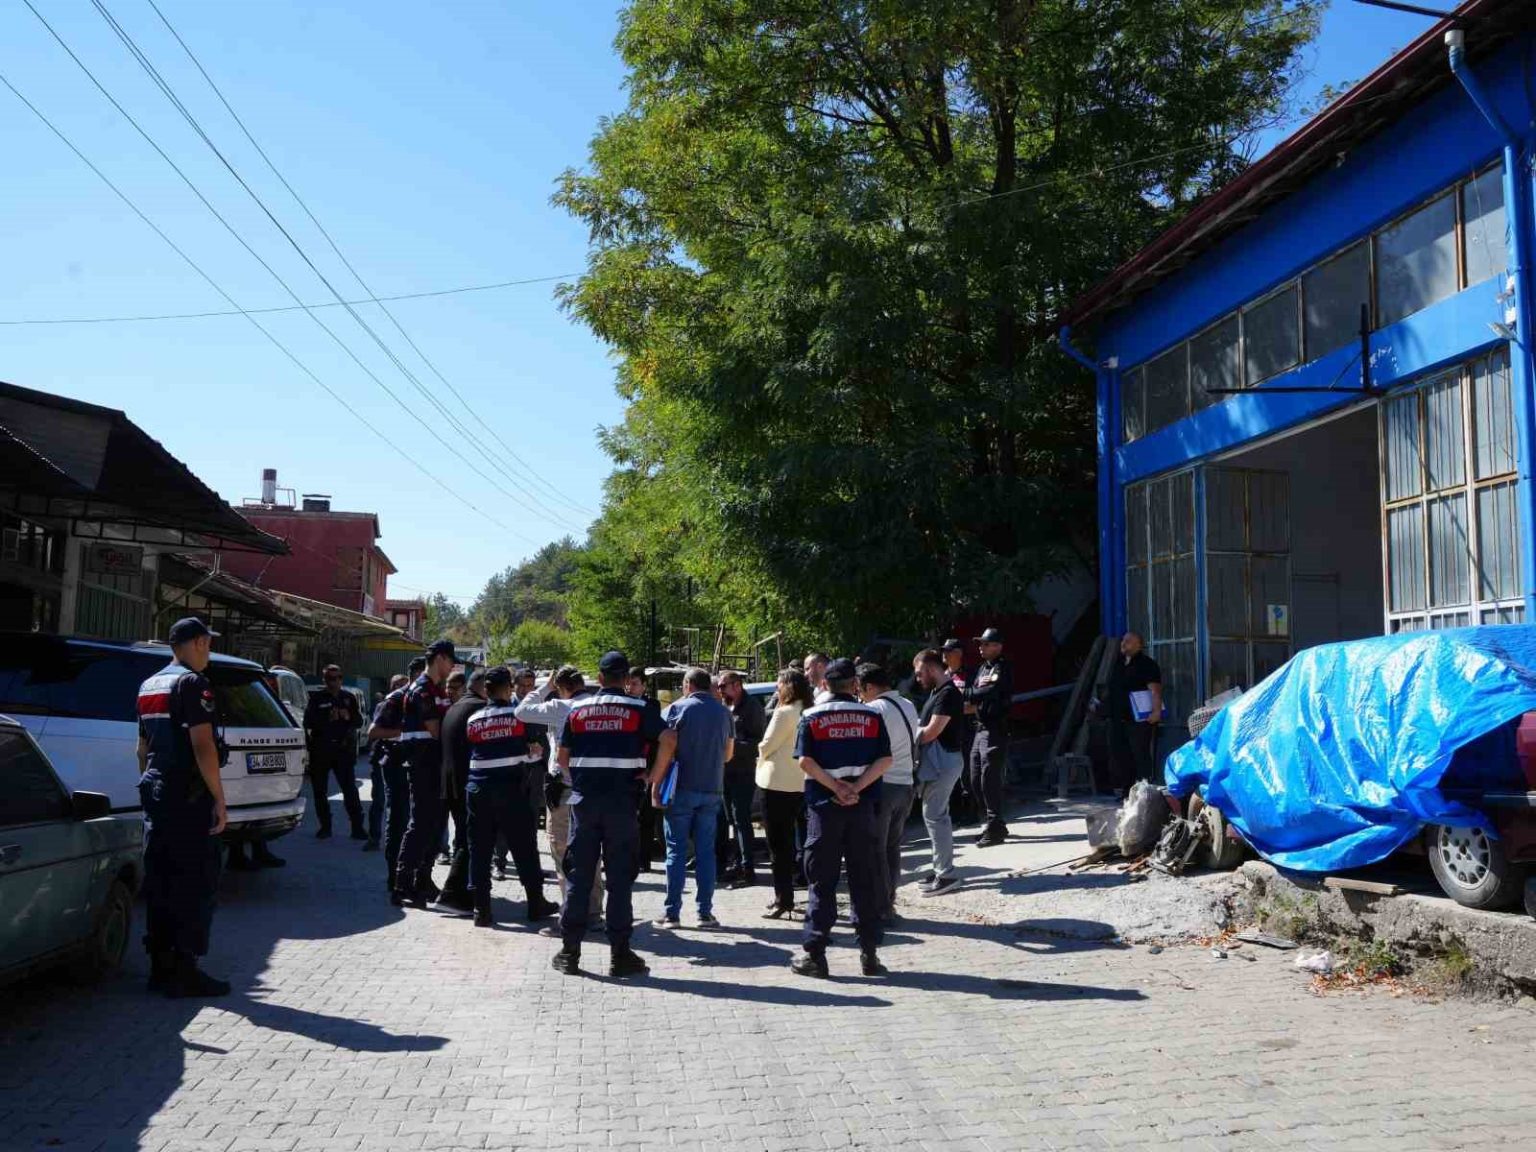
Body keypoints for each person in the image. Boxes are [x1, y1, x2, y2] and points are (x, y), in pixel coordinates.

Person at [135, 617, 230, 997]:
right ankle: (185, 969)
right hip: (188, 796)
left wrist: (153, 789)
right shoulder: (193, 683)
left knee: (161, 880)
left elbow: (142, 749)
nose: (209, 651)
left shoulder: (149, 684)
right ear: (198, 642)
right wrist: (219, 799)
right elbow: (203, 745)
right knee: (194, 881)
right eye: (208, 643)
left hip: (157, 792)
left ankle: (159, 967)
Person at [553, 651, 662, 978]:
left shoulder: (577, 710)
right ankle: (620, 954)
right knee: (619, 880)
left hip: (585, 805)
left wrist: (580, 780)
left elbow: (561, 759)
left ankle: (570, 952)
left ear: (599, 679)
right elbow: (670, 738)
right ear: (626, 679)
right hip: (622, 806)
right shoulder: (639, 708)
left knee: (579, 878)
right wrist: (653, 776)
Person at [792, 657, 893, 979]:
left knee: (822, 882)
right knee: (864, 879)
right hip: (862, 808)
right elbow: (885, 760)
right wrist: (856, 789)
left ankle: (816, 955)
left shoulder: (811, 716)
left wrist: (836, 788)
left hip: (825, 808)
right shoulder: (872, 715)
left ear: (825, 684)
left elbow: (805, 761)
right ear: (855, 685)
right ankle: (869, 954)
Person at [464, 666, 559, 927]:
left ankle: (481, 910)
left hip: (478, 790)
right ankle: (535, 904)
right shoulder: (518, 716)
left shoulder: (473, 719)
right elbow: (534, 751)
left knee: (479, 849)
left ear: (486, 690)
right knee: (524, 847)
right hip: (510, 790)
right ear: (508, 689)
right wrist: (530, 754)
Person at [515, 665, 604, 927]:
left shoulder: (561, 707)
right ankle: (593, 912)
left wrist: (545, 688)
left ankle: (571, 913)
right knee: (591, 852)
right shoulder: (598, 706)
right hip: (594, 788)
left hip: (565, 789)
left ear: (562, 687)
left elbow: (521, 711)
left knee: (562, 851)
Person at [650, 667, 733, 930]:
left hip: (681, 789)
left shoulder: (676, 709)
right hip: (712, 789)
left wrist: (656, 784)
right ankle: (704, 914)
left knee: (676, 850)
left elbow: (666, 746)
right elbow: (728, 755)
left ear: (688, 685)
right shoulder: (724, 713)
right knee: (706, 851)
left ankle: (672, 914)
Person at [392, 639, 456, 907]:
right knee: (420, 825)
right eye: (451, 661)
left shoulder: (437, 689)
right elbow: (436, 729)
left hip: (436, 766)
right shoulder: (422, 690)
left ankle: (423, 879)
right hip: (423, 765)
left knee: (436, 825)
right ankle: (402, 884)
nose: (452, 667)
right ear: (440, 658)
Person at [857, 662, 919, 922]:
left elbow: (867, 750)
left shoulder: (874, 710)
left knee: (876, 849)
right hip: (906, 784)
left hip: (883, 784)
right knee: (893, 847)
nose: (859, 695)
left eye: (860, 690)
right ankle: (889, 900)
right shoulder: (908, 705)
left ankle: (882, 907)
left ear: (870, 687)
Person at [756, 669, 811, 918]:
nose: (777, 689)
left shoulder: (784, 712)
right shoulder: (808, 710)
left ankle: (783, 899)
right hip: (800, 782)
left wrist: (760, 754)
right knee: (792, 842)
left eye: (779, 685)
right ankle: (787, 896)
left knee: (778, 846)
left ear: (787, 687)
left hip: (776, 784)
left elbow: (767, 745)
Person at [432, 669, 487, 916]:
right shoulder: (478, 709)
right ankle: (452, 895)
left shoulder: (456, 707)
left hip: (450, 783)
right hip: (466, 783)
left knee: (464, 838)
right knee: (469, 839)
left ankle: (463, 891)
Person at [912, 649, 966, 896]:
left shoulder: (947, 693)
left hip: (943, 761)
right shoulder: (938, 692)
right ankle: (941, 869)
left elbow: (932, 732)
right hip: (940, 760)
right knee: (934, 815)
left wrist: (907, 735)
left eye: (920, 673)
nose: (918, 678)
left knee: (935, 816)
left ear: (932, 669)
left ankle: (946, 875)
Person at [368, 658, 424, 892]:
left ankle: (415, 877)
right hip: (396, 765)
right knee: (398, 821)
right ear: (416, 675)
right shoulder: (396, 699)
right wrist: (403, 731)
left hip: (419, 766)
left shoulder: (425, 698)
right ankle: (394, 878)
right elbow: (373, 732)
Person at [302, 665, 365, 841]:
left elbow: (359, 721)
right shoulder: (317, 698)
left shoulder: (348, 698)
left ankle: (357, 827)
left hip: (342, 750)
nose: (334, 682)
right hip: (321, 749)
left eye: (337, 678)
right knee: (320, 791)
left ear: (341, 679)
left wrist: (347, 716)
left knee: (350, 790)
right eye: (330, 678)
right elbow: (308, 722)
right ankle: (325, 826)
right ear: (325, 680)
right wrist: (327, 718)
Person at [964, 627, 1013, 848]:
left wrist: (967, 694)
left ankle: (995, 828)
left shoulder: (1002, 667)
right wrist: (970, 695)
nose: (981, 648)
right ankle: (991, 824)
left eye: (985, 644)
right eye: (980, 644)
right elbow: (976, 690)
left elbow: (989, 691)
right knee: (975, 778)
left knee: (989, 778)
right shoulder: (983, 668)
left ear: (997, 646)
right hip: (980, 728)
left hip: (995, 729)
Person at [718, 671, 766, 888]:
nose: (720, 690)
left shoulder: (752, 707)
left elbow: (758, 744)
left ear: (736, 685)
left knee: (742, 820)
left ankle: (748, 869)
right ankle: (737, 863)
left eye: (723, 686)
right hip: (725, 772)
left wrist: (731, 745)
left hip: (743, 772)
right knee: (732, 820)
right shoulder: (726, 706)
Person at [1103, 632, 1163, 795]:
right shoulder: (1118, 663)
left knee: (1140, 754)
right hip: (1118, 717)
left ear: (1139, 645)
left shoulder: (1147, 664)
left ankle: (1143, 792)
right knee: (1120, 755)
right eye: (1123, 640)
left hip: (1138, 720)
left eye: (1128, 641)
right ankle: (1126, 792)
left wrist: (1156, 711)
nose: (1123, 643)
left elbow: (1155, 690)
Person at [625, 668, 664, 872]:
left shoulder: (651, 706)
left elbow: (656, 740)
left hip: (646, 766)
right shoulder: (622, 703)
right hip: (625, 767)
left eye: (634, 684)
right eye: (627, 683)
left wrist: (651, 770)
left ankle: (643, 860)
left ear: (644, 686)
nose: (629, 687)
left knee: (646, 817)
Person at [363, 676, 407, 852]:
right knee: (379, 801)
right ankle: (374, 838)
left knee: (399, 805)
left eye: (403, 686)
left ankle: (399, 841)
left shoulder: (410, 708)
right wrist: (400, 732)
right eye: (397, 686)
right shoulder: (385, 706)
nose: (400, 689)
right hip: (382, 759)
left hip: (402, 761)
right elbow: (373, 732)